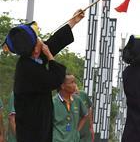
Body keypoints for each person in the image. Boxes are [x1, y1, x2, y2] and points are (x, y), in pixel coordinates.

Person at [4, 11, 84, 142]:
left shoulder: (31, 58)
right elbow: (56, 79)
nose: (38, 48)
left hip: (40, 125)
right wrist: (50, 57)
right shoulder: (27, 69)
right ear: (31, 51)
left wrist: (73, 21)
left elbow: (53, 43)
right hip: (32, 130)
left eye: (37, 41)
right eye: (37, 42)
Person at [51, 76, 88, 142]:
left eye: (75, 82)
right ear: (63, 86)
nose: (75, 85)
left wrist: (76, 131)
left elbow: (85, 115)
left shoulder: (77, 100)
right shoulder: (53, 102)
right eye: (72, 82)